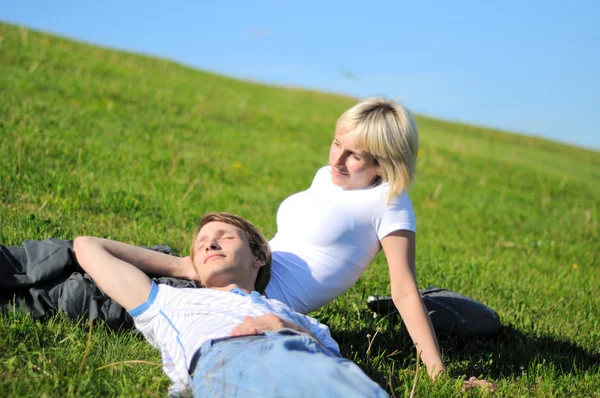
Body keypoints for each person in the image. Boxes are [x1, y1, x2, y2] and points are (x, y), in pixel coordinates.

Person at [1, 97, 444, 379]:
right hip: (235, 268)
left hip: (250, 298)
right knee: (75, 253)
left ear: (385, 165)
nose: (338, 159)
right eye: (336, 144)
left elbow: (404, 291)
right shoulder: (328, 177)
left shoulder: (389, 205)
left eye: (355, 156)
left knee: (87, 293)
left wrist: (437, 374)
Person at [73, 212, 389, 397]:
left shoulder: (294, 317)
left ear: (259, 257)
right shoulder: (169, 300)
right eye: (201, 244)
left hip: (311, 361)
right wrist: (185, 265)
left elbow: (331, 356)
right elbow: (87, 247)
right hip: (231, 359)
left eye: (225, 237)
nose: (210, 243)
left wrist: (284, 326)